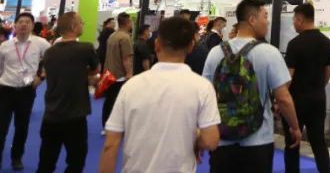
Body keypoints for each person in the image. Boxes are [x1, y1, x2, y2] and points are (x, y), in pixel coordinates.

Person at [99, 16, 220, 173]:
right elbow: (211, 141)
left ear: (157, 44)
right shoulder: (202, 87)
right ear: (191, 46)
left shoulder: (131, 86)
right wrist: (196, 137)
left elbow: (111, 144)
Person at [201, 0, 301, 172]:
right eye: (265, 16)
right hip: (258, 141)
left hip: (222, 139)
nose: (267, 21)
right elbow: (283, 98)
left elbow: (206, 96)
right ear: (252, 20)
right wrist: (295, 127)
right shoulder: (269, 53)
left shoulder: (215, 53)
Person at [37, 12, 99, 173]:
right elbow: (95, 69)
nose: (83, 25)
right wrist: (86, 75)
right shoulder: (86, 48)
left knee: (46, 161)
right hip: (75, 116)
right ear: (73, 26)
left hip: (51, 114)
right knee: (76, 161)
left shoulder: (50, 52)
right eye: (81, 22)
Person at [283, 3, 330, 173]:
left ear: (300, 20)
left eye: (294, 20)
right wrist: (318, 87)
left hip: (296, 101)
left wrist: (280, 99)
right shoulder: (326, 42)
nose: (293, 23)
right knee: (319, 143)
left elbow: (289, 76)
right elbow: (328, 72)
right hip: (318, 99)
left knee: (292, 143)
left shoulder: (294, 44)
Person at [0, 12, 49, 171]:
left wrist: (41, 77)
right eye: (20, 21)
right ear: (15, 25)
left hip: (26, 91)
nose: (23, 24)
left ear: (32, 25)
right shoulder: (5, 46)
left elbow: (52, 62)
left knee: (22, 127)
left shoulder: (41, 43)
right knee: (1, 127)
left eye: (27, 22)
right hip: (5, 90)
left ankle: (16, 157)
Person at [102, 12, 134, 133]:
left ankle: (106, 126)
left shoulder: (113, 36)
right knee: (117, 102)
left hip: (108, 73)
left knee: (109, 101)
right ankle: (115, 127)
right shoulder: (125, 38)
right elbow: (126, 58)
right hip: (119, 75)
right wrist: (129, 73)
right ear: (127, 23)